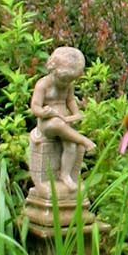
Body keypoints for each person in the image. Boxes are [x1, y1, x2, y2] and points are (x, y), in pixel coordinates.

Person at [27, 46, 96, 198]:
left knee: (71, 145)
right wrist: (44, 112)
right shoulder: (43, 85)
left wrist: (76, 113)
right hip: (47, 125)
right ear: (53, 69)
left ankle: (65, 175)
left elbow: (70, 100)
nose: (66, 83)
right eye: (64, 79)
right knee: (57, 124)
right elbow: (35, 107)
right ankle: (85, 141)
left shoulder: (68, 85)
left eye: (71, 80)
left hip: (65, 123)